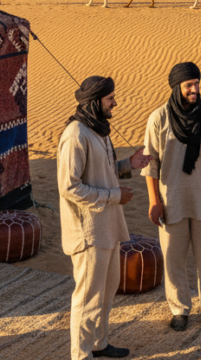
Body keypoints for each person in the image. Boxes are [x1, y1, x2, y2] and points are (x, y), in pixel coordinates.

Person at [58, 76, 152, 360]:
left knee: (107, 288)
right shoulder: (76, 135)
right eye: (110, 99)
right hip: (88, 231)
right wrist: (114, 196)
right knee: (87, 296)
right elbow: (69, 186)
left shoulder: (98, 131)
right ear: (95, 102)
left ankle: (98, 343)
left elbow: (104, 169)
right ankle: (81, 354)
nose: (115, 103)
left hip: (108, 227)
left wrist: (129, 164)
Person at [142, 62, 201, 331]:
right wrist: (154, 201)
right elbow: (151, 164)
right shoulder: (158, 118)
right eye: (188, 85)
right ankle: (179, 309)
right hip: (172, 200)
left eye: (197, 83)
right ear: (176, 87)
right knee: (173, 259)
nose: (194, 89)